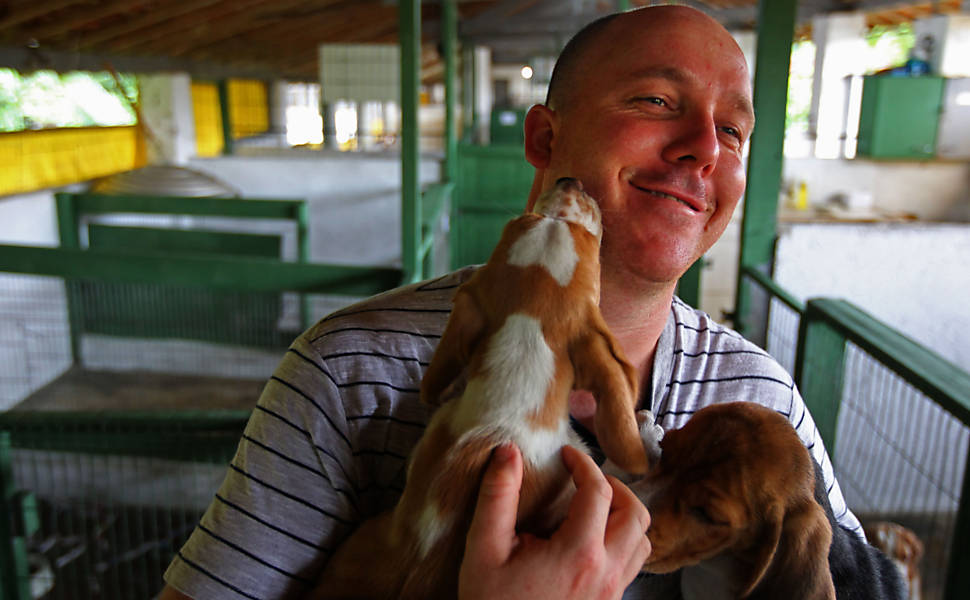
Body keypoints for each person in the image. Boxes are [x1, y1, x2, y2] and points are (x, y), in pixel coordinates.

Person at [160, 6, 862, 600]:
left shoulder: (761, 400)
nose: (705, 149)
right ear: (544, 139)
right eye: (656, 101)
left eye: (734, 132)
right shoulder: (349, 371)